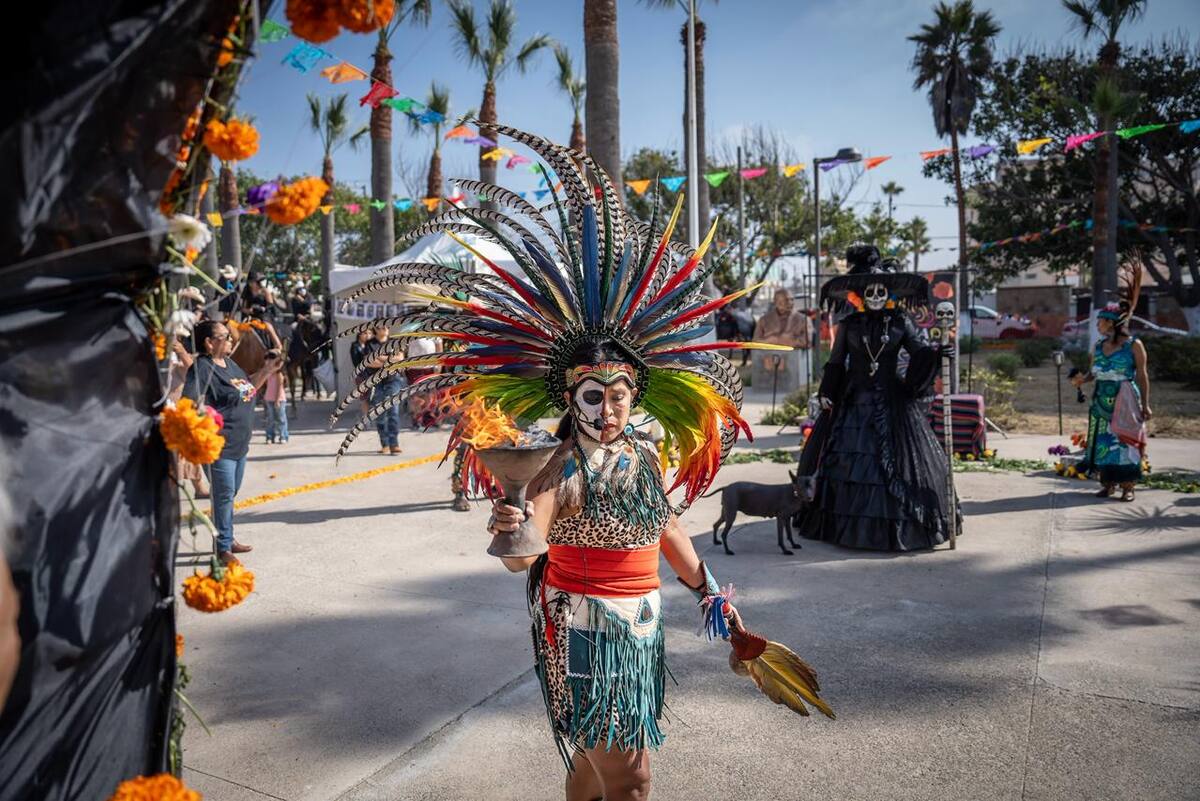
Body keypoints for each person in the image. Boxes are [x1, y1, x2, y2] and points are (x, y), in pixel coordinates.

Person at [331, 123, 834, 799]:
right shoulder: (558, 465)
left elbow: (669, 532)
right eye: (593, 395)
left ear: (635, 396)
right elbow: (521, 552)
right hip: (582, 633)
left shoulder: (645, 456)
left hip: (641, 629)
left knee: (593, 773)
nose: (607, 408)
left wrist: (714, 596)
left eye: (619, 394)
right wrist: (511, 521)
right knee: (631, 780)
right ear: (574, 397)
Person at [796, 245, 956, 551]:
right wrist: (828, 392)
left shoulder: (899, 321)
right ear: (861, 293)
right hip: (854, 399)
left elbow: (918, 351)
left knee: (899, 462)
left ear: (888, 292)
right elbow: (836, 360)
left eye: (881, 291)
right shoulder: (849, 325)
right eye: (871, 291)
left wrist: (937, 354)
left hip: (892, 399)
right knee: (849, 462)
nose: (876, 297)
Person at [184, 319, 280, 563]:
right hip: (219, 446)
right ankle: (222, 547)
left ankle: (227, 538)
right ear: (209, 342)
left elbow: (248, 391)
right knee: (224, 494)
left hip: (239, 444)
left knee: (229, 493)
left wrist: (268, 370)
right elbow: (190, 401)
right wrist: (203, 410)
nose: (230, 340)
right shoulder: (201, 367)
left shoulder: (231, 365)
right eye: (224, 336)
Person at [1072, 269, 1151, 502]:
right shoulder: (1098, 346)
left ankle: (1128, 487)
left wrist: (1145, 405)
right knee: (1104, 442)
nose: (1098, 324)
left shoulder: (1134, 345)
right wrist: (1081, 380)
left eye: (1102, 321)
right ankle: (1108, 484)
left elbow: (1143, 375)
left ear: (1114, 323)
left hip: (1125, 398)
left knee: (1125, 442)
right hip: (1101, 400)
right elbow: (1093, 373)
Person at [360, 324, 405, 454]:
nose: (384, 328)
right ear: (376, 330)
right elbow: (369, 362)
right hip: (376, 382)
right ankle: (384, 443)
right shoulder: (369, 344)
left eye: (386, 326)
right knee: (379, 413)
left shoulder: (394, 343)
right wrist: (390, 361)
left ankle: (394, 444)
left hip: (393, 380)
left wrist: (379, 358)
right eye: (381, 327)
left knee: (393, 412)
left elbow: (400, 359)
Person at [262, 353, 289, 444]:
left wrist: (277, 400)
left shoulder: (279, 374)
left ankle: (283, 435)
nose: (266, 363)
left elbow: (278, 387)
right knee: (270, 419)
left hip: (279, 399)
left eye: (268, 361)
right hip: (269, 398)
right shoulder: (268, 374)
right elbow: (266, 385)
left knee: (281, 418)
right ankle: (270, 436)